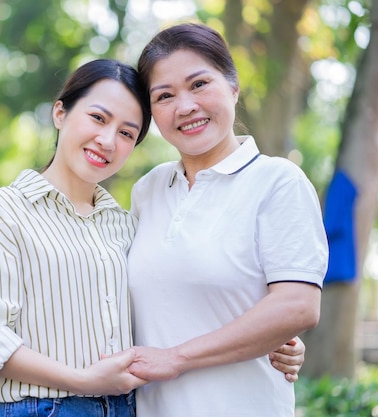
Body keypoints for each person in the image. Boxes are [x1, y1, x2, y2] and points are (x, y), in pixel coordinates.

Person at [0, 58, 306, 417]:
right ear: (60, 114)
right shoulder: (1, 211)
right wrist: (83, 381)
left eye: (127, 133)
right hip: (39, 408)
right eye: (98, 118)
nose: (107, 140)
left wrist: (274, 338)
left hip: (126, 408)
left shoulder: (124, 224)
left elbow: (166, 299)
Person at [126, 23, 328, 416]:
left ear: (233, 87)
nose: (185, 106)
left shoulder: (277, 181)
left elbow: (298, 306)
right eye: (164, 95)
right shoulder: (147, 190)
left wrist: (176, 357)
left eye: (199, 84)